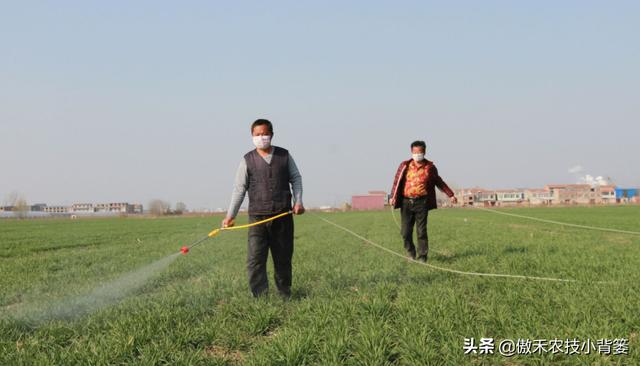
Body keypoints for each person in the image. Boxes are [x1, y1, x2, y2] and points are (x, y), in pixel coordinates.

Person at [223, 119, 305, 298]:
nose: (261, 137)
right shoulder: (247, 160)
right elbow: (239, 189)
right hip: (258, 218)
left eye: (264, 134)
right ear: (252, 136)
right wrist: (230, 216)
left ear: (272, 135)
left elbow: (296, 178)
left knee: (283, 259)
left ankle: (285, 294)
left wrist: (298, 201)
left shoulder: (284, 156)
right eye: (257, 134)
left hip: (282, 216)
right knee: (255, 260)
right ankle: (260, 298)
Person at [389, 140, 457, 262]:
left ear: (424, 152)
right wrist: (392, 196)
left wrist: (450, 195)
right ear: (411, 152)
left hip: (422, 202)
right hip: (406, 202)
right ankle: (411, 253)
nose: (417, 154)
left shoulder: (430, 167)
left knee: (421, 231)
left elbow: (439, 181)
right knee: (405, 232)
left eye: (419, 152)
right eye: (415, 152)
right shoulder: (405, 165)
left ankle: (422, 257)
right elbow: (397, 182)